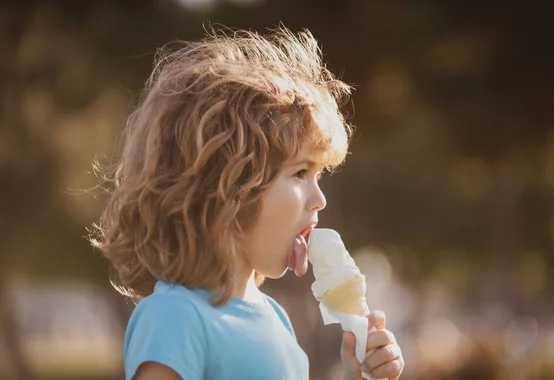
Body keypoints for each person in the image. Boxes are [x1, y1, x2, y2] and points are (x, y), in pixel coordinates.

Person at [91, 26, 404, 380]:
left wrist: (358, 375)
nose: (320, 199)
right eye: (301, 173)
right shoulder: (176, 317)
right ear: (229, 188)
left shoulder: (275, 319)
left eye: (320, 176)